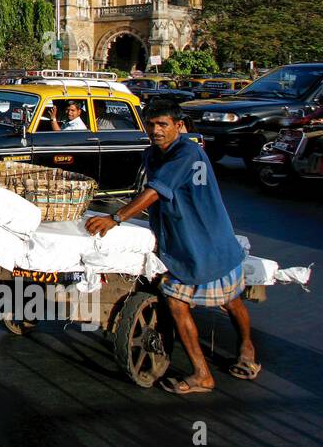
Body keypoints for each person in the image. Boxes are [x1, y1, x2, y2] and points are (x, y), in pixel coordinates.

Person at [86, 99, 258, 394]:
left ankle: (247, 348)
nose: (156, 130)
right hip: (178, 240)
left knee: (230, 301)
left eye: (163, 124)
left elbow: (155, 191)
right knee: (177, 303)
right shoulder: (152, 155)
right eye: (151, 125)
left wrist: (116, 217)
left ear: (179, 126)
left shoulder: (188, 154)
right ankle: (202, 374)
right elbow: (156, 194)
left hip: (207, 241)